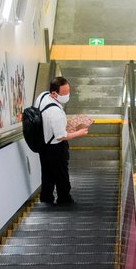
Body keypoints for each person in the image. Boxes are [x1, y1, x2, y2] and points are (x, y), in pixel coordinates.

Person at [35, 77, 88, 205]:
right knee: (61, 173)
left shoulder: (42, 96)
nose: (67, 95)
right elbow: (61, 137)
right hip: (55, 146)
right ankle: (64, 198)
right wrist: (78, 133)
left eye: (68, 90)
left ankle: (46, 197)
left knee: (47, 172)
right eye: (64, 93)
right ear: (54, 93)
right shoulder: (55, 112)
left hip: (43, 143)